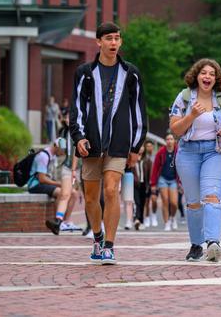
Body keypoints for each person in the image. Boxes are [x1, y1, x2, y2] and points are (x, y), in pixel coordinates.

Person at [70, 22, 147, 265]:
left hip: (119, 143)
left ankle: (110, 246)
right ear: (99, 42)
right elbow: (77, 109)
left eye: (117, 38)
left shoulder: (131, 73)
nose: (114, 42)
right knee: (92, 197)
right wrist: (79, 137)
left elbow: (138, 111)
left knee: (111, 190)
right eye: (109, 38)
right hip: (91, 143)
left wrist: (136, 146)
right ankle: (97, 236)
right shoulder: (84, 73)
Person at [170, 59, 221, 262]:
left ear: (216, 78)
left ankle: (213, 243)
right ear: (196, 76)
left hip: (215, 151)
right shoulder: (184, 98)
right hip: (188, 152)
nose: (207, 77)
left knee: (211, 196)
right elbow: (175, 129)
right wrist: (191, 115)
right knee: (193, 203)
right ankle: (196, 245)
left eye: (211, 74)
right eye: (204, 73)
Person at [27, 138, 74, 234]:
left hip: (43, 184)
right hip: (35, 185)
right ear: (56, 146)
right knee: (62, 192)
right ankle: (57, 222)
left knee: (72, 192)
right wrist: (59, 184)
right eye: (62, 150)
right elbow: (42, 179)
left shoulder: (52, 156)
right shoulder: (43, 156)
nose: (62, 153)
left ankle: (64, 222)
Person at [150, 133, 180, 231]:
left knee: (174, 203)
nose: (169, 141)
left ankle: (173, 218)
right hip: (163, 179)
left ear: (174, 141)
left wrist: (181, 183)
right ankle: (167, 223)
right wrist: (153, 184)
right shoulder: (161, 152)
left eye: (171, 139)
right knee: (165, 201)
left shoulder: (178, 151)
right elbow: (155, 168)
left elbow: (182, 167)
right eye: (167, 139)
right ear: (165, 141)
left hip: (174, 180)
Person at [141, 141, 159, 228]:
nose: (149, 148)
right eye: (147, 146)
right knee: (147, 202)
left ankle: (154, 215)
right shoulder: (143, 158)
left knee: (154, 200)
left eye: (150, 146)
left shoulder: (156, 157)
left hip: (155, 182)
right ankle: (147, 217)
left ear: (153, 147)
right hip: (145, 182)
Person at [132, 144, 148, 230]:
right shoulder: (132, 159)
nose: (141, 148)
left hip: (144, 185)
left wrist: (149, 185)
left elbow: (149, 174)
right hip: (135, 185)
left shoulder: (146, 160)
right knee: (137, 202)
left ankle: (141, 221)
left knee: (142, 203)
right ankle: (136, 219)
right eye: (139, 146)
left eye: (142, 146)